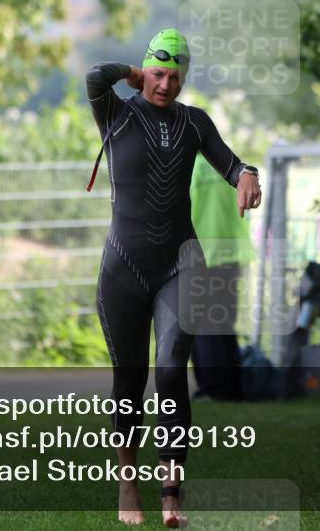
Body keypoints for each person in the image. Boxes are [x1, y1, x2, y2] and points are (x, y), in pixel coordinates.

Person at [86, 29, 261, 527]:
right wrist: (131, 75)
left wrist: (248, 173)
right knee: (129, 377)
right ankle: (127, 483)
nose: (165, 85)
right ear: (146, 71)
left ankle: (171, 495)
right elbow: (96, 77)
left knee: (169, 368)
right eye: (158, 74)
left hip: (180, 263)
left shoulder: (193, 122)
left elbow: (231, 162)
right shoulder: (116, 113)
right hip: (123, 266)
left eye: (175, 76)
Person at [189, 153, 255, 401]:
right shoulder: (227, 164)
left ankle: (213, 389)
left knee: (201, 326)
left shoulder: (184, 164)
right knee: (225, 324)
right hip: (232, 253)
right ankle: (232, 388)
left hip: (199, 253)